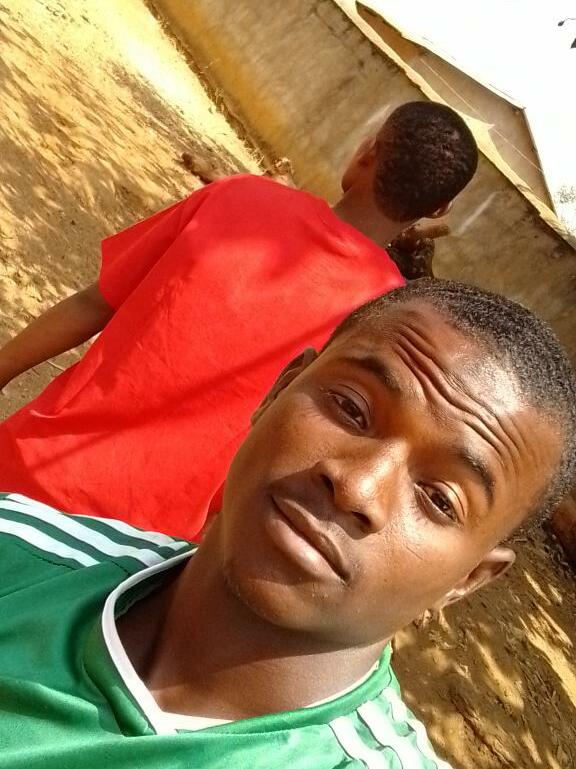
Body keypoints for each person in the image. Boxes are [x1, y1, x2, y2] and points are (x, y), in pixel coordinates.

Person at [1, 279, 575, 769]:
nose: (357, 487)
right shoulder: (18, 552)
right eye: (351, 407)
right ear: (278, 391)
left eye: (439, 499)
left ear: (468, 579)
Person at [0, 102, 478, 537]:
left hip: (32, 465)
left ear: (367, 154)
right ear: (439, 209)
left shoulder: (237, 197)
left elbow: (93, 304)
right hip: (144, 541)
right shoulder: (387, 318)